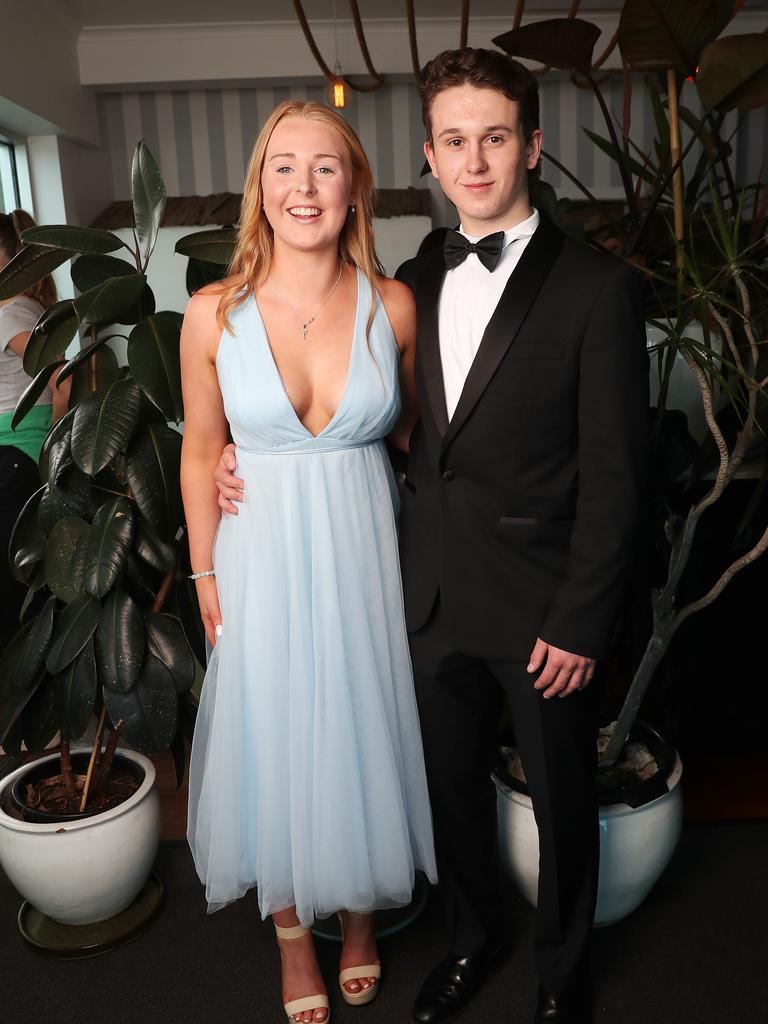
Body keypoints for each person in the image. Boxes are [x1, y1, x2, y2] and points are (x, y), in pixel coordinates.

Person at [216, 50, 649, 1024]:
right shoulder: (405, 282)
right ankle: (472, 937)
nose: (476, 160)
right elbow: (385, 429)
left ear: (532, 145)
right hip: (418, 597)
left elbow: (621, 475)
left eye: (495, 137)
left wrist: (582, 620)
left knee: (563, 801)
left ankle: (561, 975)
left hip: (546, 608)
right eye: (455, 141)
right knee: (448, 794)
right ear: (431, 155)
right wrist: (227, 459)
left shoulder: (598, 289)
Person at [180, 100, 437, 1024]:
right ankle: (295, 942)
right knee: (273, 731)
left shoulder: (396, 306)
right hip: (258, 561)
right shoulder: (212, 314)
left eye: (324, 167)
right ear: (259, 187)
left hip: (364, 553)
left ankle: (360, 928)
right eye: (282, 167)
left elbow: (422, 440)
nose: (303, 186)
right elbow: (199, 451)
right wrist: (206, 574)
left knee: (362, 721)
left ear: (356, 187)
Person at [0, 210, 68, 656]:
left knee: (12, 598)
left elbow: (63, 378)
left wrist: (53, 450)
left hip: (15, 459)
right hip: (20, 459)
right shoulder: (25, 308)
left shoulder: (10, 314)